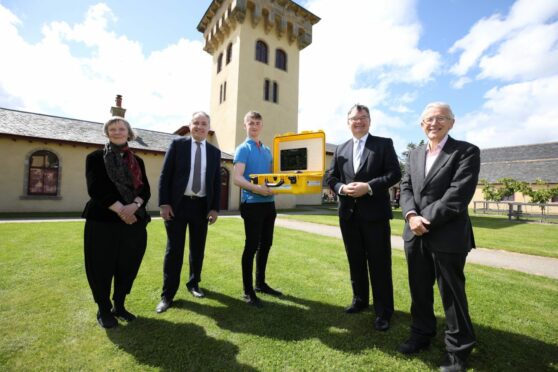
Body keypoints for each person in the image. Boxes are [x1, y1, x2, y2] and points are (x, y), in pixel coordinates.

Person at [398, 102, 480, 372]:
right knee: (419, 290)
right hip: (415, 233)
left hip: (448, 235)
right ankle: (421, 334)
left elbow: (458, 194)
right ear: (422, 124)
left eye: (441, 118)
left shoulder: (466, 152)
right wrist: (411, 215)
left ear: (452, 123)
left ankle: (458, 351)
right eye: (429, 119)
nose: (434, 123)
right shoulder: (413, 154)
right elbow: (406, 188)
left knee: (452, 296)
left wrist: (426, 219)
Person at [326, 104, 401, 331]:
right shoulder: (340, 149)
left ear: (370, 120)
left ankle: (383, 311)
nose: (358, 122)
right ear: (347, 122)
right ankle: (360, 300)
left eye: (363, 118)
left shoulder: (383, 144)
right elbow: (330, 176)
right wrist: (341, 188)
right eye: (354, 118)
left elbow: (394, 174)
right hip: (348, 215)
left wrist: (368, 187)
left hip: (375, 215)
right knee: (355, 260)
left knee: (379, 263)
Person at [82, 116, 151, 329]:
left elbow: (145, 190)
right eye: (112, 129)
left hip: (133, 223)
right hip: (102, 221)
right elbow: (96, 189)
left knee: (127, 265)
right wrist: (122, 210)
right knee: (101, 266)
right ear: (107, 133)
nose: (117, 131)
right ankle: (103, 309)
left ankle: (119, 306)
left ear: (128, 133)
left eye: (121, 128)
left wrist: (135, 206)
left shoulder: (137, 161)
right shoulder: (95, 158)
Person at [155, 111, 221, 313]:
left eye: (204, 124)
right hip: (177, 205)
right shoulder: (178, 145)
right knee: (174, 250)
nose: (200, 127)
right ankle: (167, 295)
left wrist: (214, 207)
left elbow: (216, 182)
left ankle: (193, 284)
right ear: (190, 125)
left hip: (201, 206)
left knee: (197, 249)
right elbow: (165, 175)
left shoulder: (214, 152)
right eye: (196, 123)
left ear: (208, 127)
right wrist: (164, 203)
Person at [233, 111, 282, 308]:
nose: (254, 126)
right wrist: (258, 189)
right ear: (244, 126)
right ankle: (248, 291)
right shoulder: (243, 149)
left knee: (266, 244)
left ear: (262, 126)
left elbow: (274, 177)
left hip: (269, 204)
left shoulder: (268, 150)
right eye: (250, 123)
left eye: (257, 123)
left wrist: (277, 188)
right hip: (252, 204)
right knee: (251, 246)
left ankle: (260, 283)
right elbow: (237, 178)